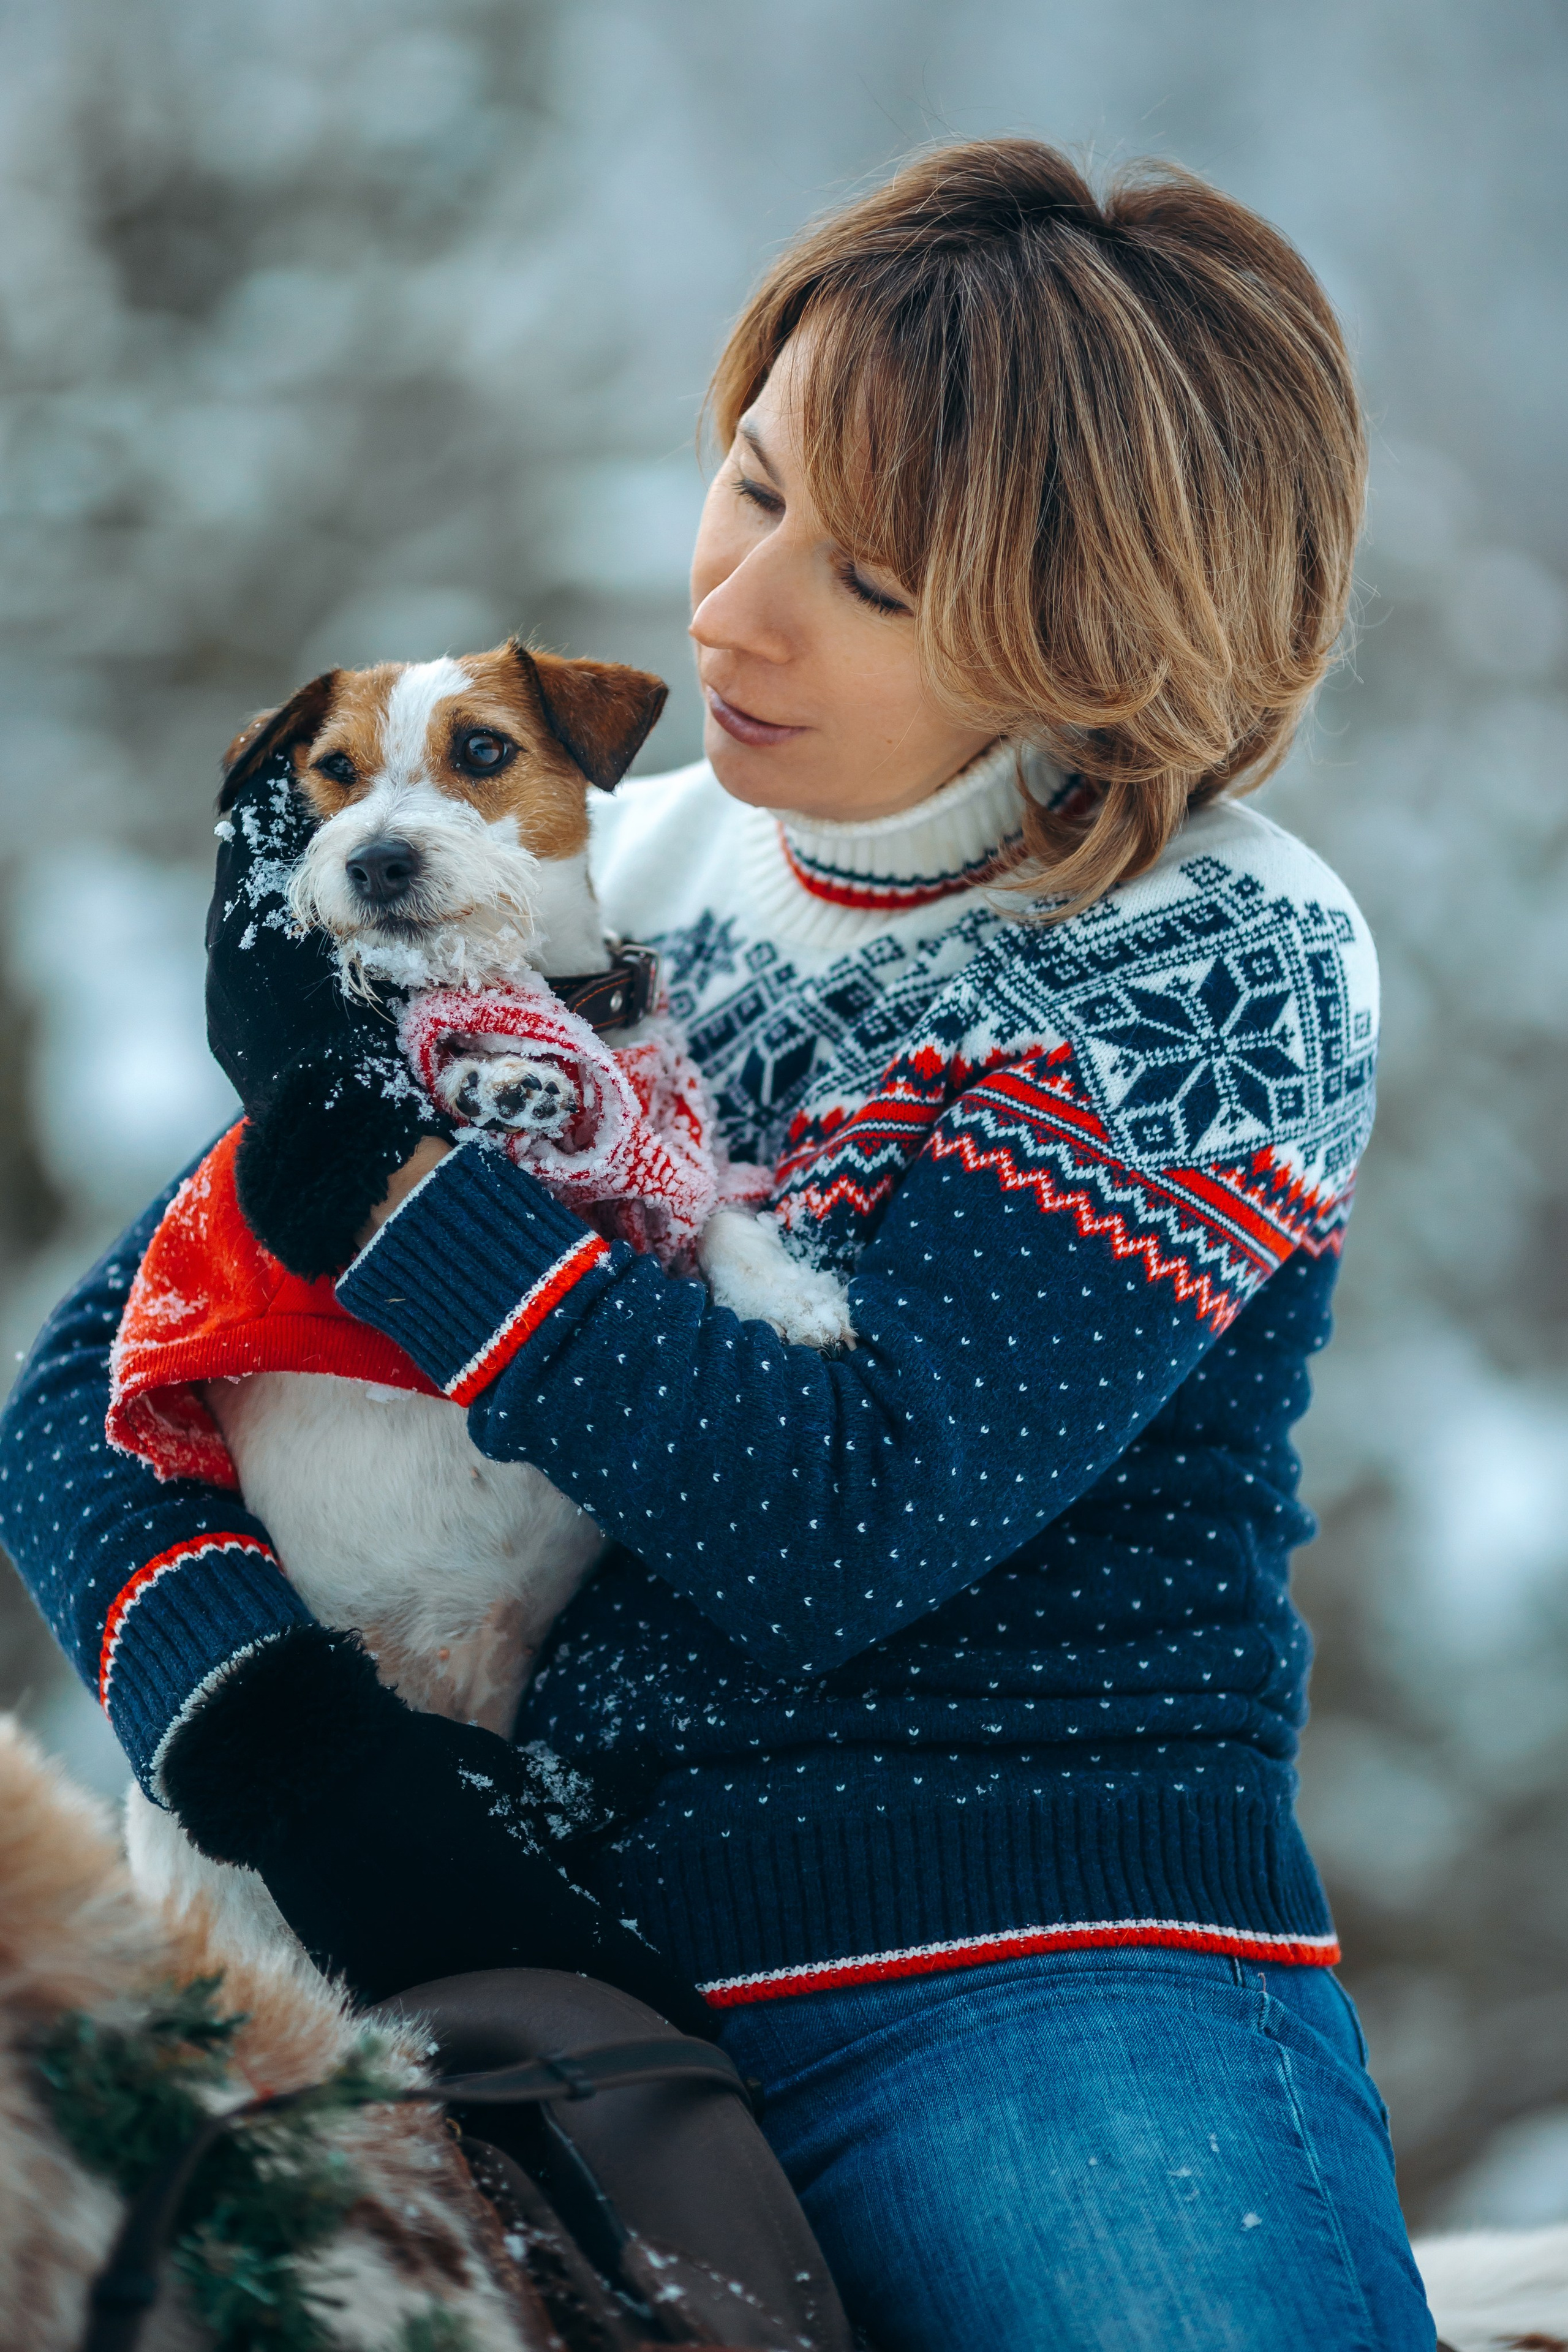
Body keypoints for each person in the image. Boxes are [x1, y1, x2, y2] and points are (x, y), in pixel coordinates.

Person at [0, 140, 1434, 2348]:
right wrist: (281, 1741)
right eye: (752, 484)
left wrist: (384, 1188)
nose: (732, 610)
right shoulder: (577, 858)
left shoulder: (1212, 958)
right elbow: (93, 1399)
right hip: (519, 1974)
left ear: (1093, 621)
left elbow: (839, 1518)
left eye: (866, 580)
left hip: (1020, 2004)